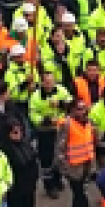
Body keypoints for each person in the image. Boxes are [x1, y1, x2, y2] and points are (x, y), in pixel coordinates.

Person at [56, 99, 98, 207]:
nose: (82, 111)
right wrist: (64, 167)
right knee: (81, 193)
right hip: (73, 166)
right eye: (79, 109)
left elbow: (92, 141)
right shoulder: (66, 124)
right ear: (72, 110)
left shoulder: (89, 123)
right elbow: (60, 148)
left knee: (78, 192)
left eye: (83, 108)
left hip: (86, 164)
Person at [29, 71, 71, 199]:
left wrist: (60, 104)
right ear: (42, 82)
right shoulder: (36, 96)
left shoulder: (61, 90)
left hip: (60, 129)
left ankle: (58, 179)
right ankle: (49, 186)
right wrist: (46, 120)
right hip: (45, 130)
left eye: (52, 81)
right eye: (47, 82)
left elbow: (71, 104)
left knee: (59, 156)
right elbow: (33, 115)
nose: (50, 84)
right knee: (46, 159)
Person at [2, 119, 39, 207]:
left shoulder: (25, 144)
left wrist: (35, 177)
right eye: (15, 132)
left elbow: (33, 159)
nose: (18, 134)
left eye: (20, 131)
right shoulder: (4, 150)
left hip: (29, 184)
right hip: (15, 187)